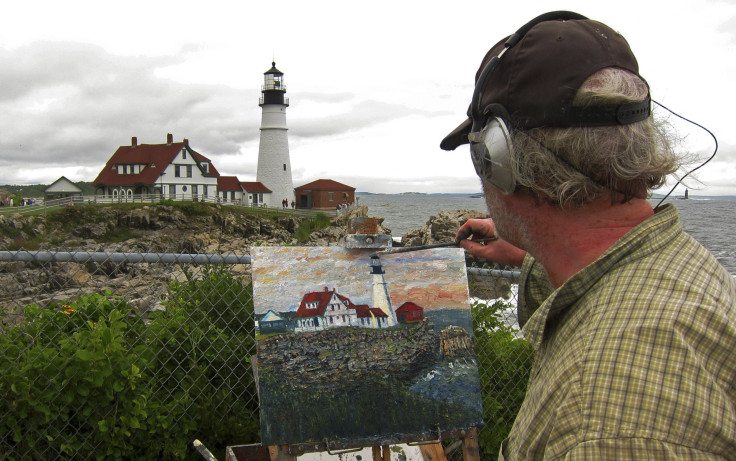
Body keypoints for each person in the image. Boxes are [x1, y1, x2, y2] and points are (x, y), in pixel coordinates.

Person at [442, 11, 736, 460]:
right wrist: (527, 255)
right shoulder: (676, 266)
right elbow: (593, 284)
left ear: (499, 161)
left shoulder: (600, 423)